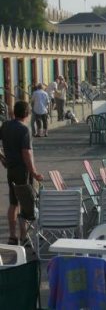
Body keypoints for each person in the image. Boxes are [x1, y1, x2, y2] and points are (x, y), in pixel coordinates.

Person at [0, 101, 44, 245]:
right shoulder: (24, 129)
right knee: (26, 203)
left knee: (13, 203)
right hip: (22, 170)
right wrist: (35, 173)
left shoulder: (5, 126)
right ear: (27, 114)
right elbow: (27, 153)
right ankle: (24, 236)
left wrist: (2, 158)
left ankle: (12, 236)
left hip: (11, 169)